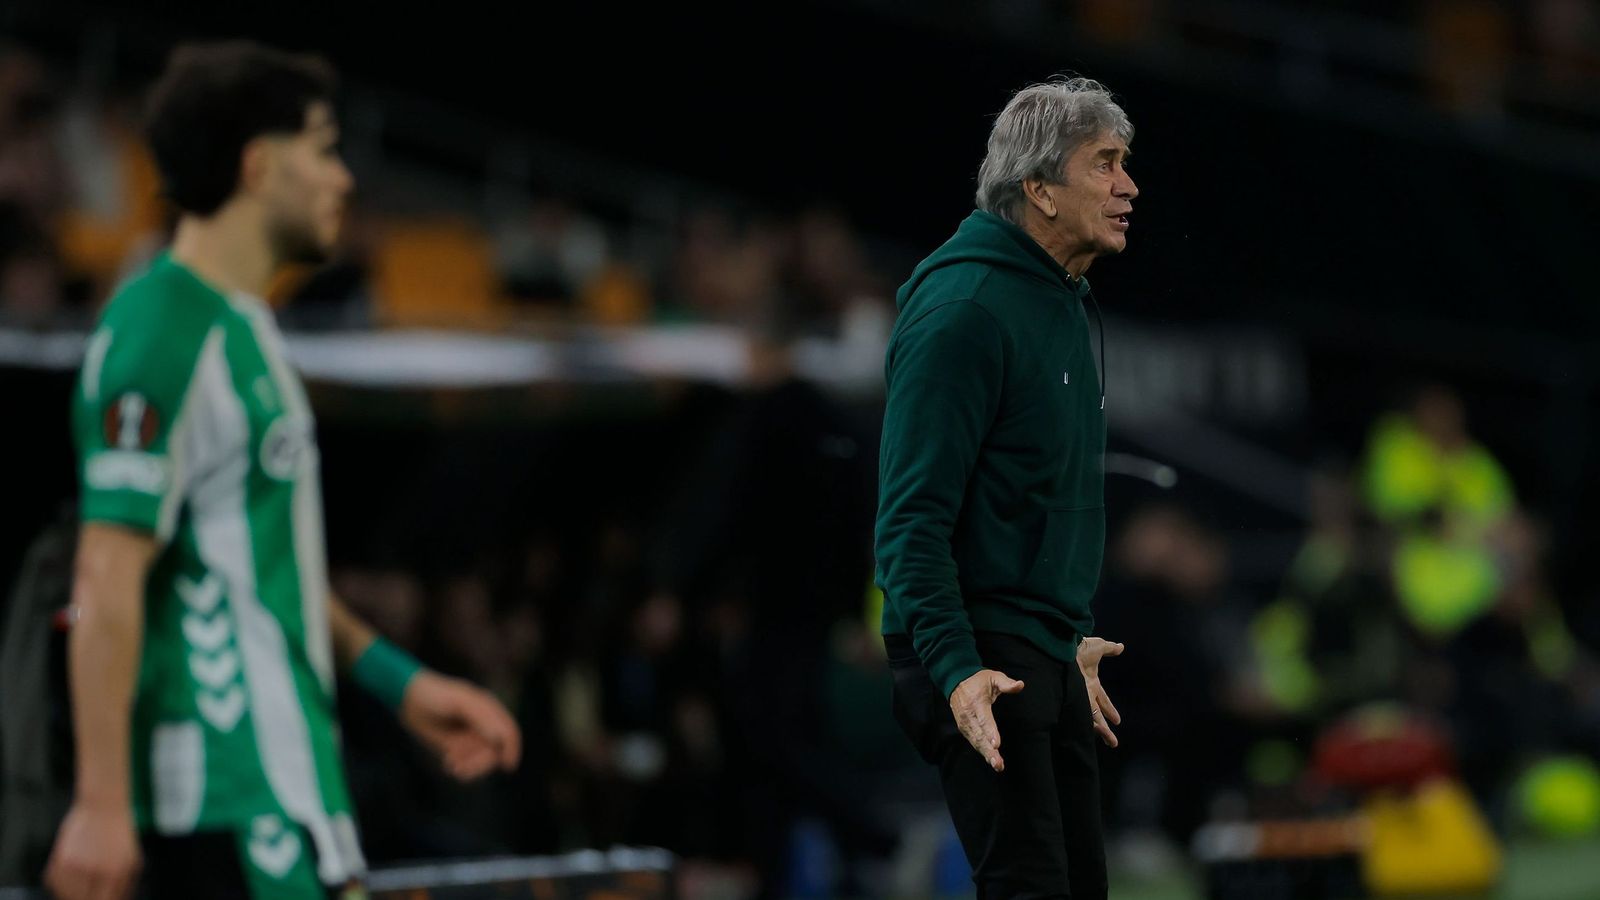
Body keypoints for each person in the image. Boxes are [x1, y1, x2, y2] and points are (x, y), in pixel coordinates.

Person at [43, 42, 521, 900]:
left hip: (290, 787)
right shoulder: (159, 330)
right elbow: (106, 572)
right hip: (222, 795)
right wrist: (101, 804)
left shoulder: (248, 330)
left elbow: (263, 575)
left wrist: (401, 685)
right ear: (260, 167)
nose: (342, 179)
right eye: (324, 148)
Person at [875, 77, 1139, 900]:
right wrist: (956, 670)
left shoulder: (1059, 301)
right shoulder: (965, 311)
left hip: (1039, 647)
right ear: (1039, 190)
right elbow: (910, 524)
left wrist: (1068, 633)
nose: (1128, 187)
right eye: (1105, 165)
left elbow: (1033, 496)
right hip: (977, 653)